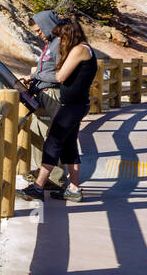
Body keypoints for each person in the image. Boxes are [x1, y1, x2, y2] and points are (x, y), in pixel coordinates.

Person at [20, 18, 97, 203]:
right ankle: (74, 189)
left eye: (61, 38)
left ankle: (38, 187)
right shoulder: (83, 49)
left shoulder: (79, 49)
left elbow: (61, 76)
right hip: (75, 104)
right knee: (69, 146)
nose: (60, 42)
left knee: (52, 143)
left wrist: (36, 75)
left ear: (69, 34)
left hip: (72, 106)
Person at [21, 10, 65, 189]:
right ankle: (42, 173)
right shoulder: (50, 43)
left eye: (39, 30)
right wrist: (34, 79)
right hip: (43, 94)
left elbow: (63, 74)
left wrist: (36, 75)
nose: (38, 34)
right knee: (37, 134)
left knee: (51, 136)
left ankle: (56, 179)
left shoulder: (62, 44)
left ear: (48, 25)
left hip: (53, 95)